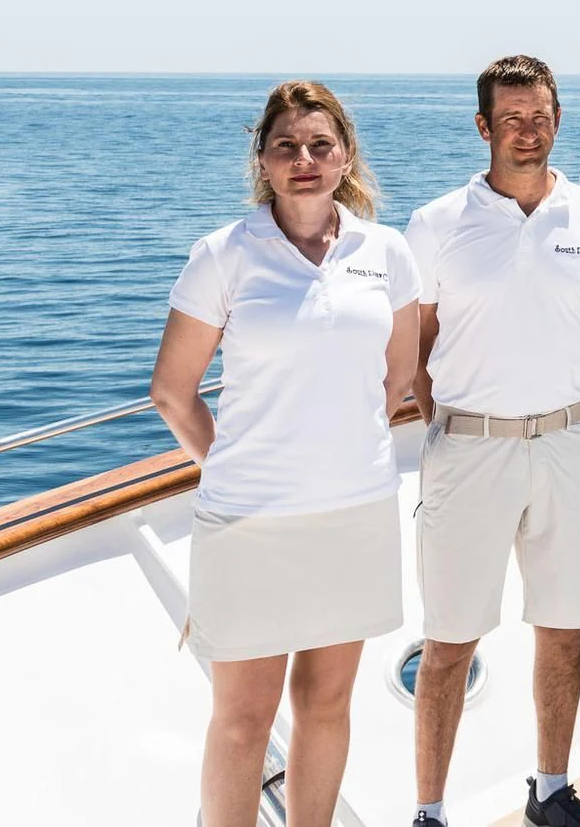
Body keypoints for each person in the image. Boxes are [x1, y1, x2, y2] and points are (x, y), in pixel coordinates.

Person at [150, 81, 419, 827]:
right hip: (250, 522)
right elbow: (172, 391)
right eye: (286, 146)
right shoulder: (224, 256)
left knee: (326, 705)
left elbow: (397, 377)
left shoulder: (386, 252)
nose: (304, 160)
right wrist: (230, 469)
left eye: (320, 145)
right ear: (263, 161)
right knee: (243, 720)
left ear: (345, 157)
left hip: (355, 511)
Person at [403, 56, 580, 827]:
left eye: (540, 117)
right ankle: (430, 812)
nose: (527, 131)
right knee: (448, 643)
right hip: (470, 453)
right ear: (483, 126)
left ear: (557, 120)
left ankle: (551, 790)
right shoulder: (435, 226)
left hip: (567, 444)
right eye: (511, 119)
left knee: (564, 628)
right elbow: (418, 350)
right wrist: (459, 427)